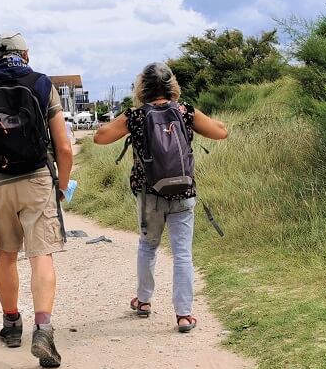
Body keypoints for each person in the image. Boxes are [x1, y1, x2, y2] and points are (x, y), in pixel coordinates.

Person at [0, 32, 74, 368]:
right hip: (39, 178)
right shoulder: (42, 85)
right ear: (26, 54)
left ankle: (12, 325)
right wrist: (62, 186)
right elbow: (64, 147)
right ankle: (43, 329)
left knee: (6, 255)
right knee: (41, 256)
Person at [93, 62, 228, 333]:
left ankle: (143, 301)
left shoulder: (136, 116)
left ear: (142, 87)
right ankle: (184, 315)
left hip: (149, 194)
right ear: (172, 85)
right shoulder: (185, 111)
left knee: (147, 246)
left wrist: (124, 118)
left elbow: (99, 137)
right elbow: (221, 132)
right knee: (182, 253)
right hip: (184, 191)